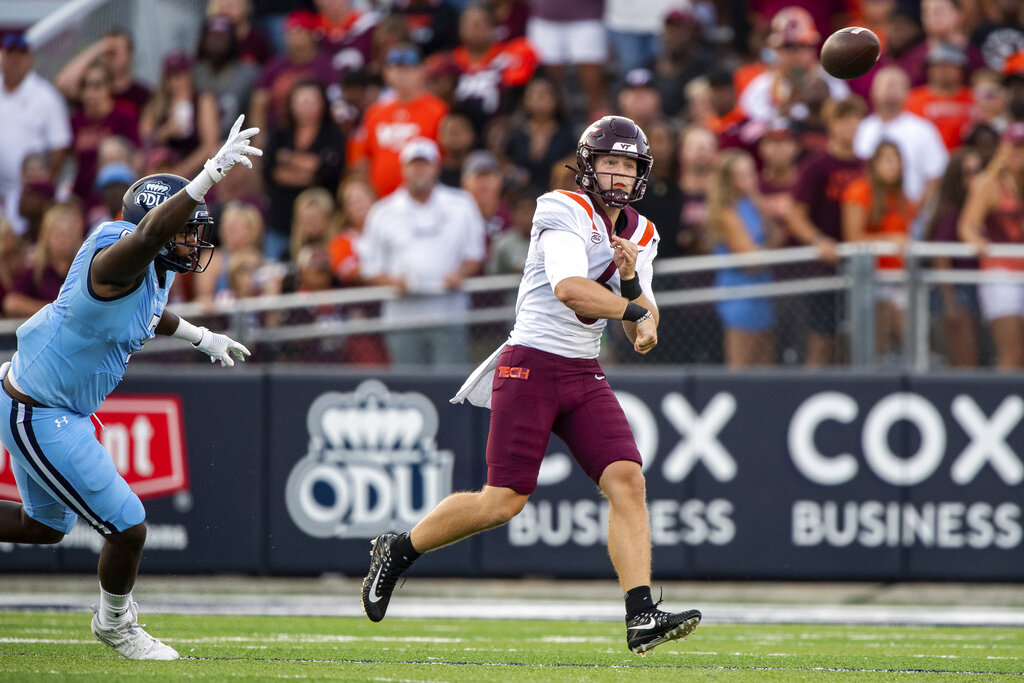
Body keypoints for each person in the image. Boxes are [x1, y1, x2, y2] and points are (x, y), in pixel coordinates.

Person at [359, 116, 702, 656]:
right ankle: (400, 549)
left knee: (627, 480)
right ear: (589, 166)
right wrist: (635, 310)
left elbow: (646, 329)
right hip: (532, 364)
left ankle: (641, 615)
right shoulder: (562, 207)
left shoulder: (641, 232)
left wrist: (635, 289)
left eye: (628, 164)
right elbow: (571, 290)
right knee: (503, 502)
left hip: (583, 371)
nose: (618, 173)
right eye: (609, 162)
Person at [0, 115, 261, 660]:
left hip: (49, 402)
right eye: (187, 229)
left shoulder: (153, 270)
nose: (195, 241)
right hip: (41, 409)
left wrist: (199, 335)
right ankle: (115, 625)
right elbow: (148, 237)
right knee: (129, 527)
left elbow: (147, 316)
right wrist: (207, 173)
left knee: (43, 526)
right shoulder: (116, 259)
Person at [358, 137, 485, 366]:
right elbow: (370, 267)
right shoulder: (382, 212)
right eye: (414, 165)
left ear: (436, 167)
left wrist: (461, 274)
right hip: (402, 318)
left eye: (424, 164)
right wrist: (392, 282)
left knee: (451, 387)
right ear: (404, 169)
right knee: (409, 388)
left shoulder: (462, 204)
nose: (420, 171)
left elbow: (474, 255)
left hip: (449, 314)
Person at [708, 149, 786, 367]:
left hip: (763, 292)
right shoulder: (726, 212)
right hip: (740, 297)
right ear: (730, 180)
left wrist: (758, 199)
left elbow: (778, 235)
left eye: (752, 173)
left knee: (765, 366)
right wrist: (766, 251)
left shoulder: (752, 204)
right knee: (742, 367)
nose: (751, 180)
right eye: (743, 175)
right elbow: (750, 261)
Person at [841, 140, 917, 360]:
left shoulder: (903, 198)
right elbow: (853, 237)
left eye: (896, 160)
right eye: (886, 159)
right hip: (872, 278)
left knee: (907, 336)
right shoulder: (860, 191)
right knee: (877, 340)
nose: (892, 166)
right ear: (874, 164)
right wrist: (889, 239)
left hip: (899, 276)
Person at [958, 121, 1024, 369]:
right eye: (1015, 147)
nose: (1020, 153)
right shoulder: (988, 183)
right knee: (1012, 352)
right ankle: (1005, 401)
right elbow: (967, 225)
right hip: (1002, 273)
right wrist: (978, 242)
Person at [0, 31, 71, 236]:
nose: (14, 61)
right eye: (10, 55)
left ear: (29, 60)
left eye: (20, 56)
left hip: (30, 190)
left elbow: (60, 146)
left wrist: (44, 184)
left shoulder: (46, 96)